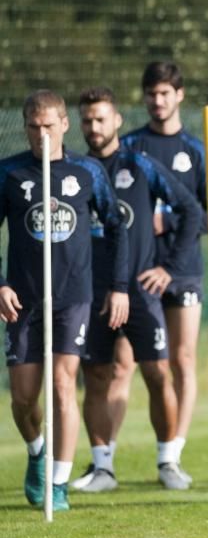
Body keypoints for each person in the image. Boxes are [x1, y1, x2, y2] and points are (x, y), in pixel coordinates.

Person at [0, 90, 128, 511]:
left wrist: (120, 286)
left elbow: (116, 226)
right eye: (34, 128)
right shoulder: (9, 174)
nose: (42, 135)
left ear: (64, 125)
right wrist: (1, 284)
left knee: (62, 385)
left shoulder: (86, 171)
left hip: (73, 297)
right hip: (23, 300)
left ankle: (58, 482)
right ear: (25, 127)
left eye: (49, 126)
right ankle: (37, 450)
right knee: (22, 398)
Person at [75, 87, 204, 492]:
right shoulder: (73, 171)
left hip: (141, 294)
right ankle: (102, 469)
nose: (94, 127)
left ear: (117, 121)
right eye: (87, 120)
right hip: (90, 295)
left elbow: (192, 210)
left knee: (157, 373)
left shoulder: (140, 165)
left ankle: (168, 461)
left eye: (101, 118)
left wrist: (169, 268)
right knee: (98, 376)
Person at [115, 61, 208, 483]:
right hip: (134, 273)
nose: (157, 101)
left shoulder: (197, 150)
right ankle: (104, 459)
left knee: (181, 360)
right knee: (124, 365)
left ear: (179, 95)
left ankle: (171, 458)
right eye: (151, 94)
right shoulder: (128, 147)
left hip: (182, 273)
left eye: (165, 93)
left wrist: (167, 221)